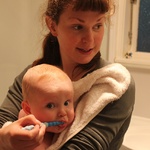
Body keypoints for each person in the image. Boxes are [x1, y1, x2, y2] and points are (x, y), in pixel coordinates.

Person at [0, 0, 135, 150]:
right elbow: (2, 122)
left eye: (97, 26)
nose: (90, 40)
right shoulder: (32, 77)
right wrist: (5, 138)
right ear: (52, 25)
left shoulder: (114, 83)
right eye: (78, 27)